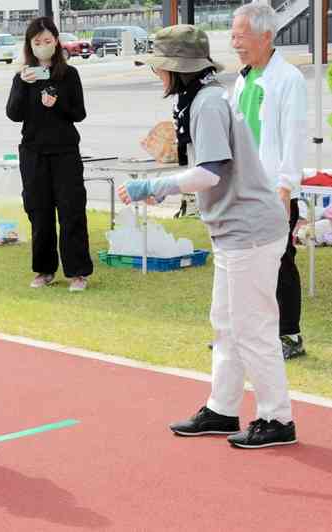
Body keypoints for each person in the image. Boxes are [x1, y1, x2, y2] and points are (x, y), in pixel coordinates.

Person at [120, 25, 297, 449]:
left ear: (177, 68)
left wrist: (152, 187)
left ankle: (278, 418)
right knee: (226, 324)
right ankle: (222, 407)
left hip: (248, 231)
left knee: (251, 327)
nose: (155, 74)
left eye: (159, 66)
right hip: (238, 229)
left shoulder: (207, 104)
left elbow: (210, 171)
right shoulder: (203, 98)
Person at [231, 3, 308, 360]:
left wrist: (285, 187)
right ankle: (248, 334)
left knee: (280, 262)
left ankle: (289, 335)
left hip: (272, 190)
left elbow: (293, 137)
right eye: (232, 35)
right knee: (245, 265)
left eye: (241, 36)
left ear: (265, 36)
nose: (235, 43)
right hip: (243, 189)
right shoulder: (243, 78)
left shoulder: (287, 80)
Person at [6, 16, 94, 292]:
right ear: (29, 45)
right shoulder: (23, 76)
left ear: (56, 42)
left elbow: (78, 113)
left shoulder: (69, 75)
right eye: (37, 42)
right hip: (33, 153)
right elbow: (13, 114)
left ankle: (78, 271)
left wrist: (57, 104)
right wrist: (22, 83)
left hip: (65, 151)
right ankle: (44, 270)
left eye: (47, 41)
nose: (42, 46)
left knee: (71, 210)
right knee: (39, 212)